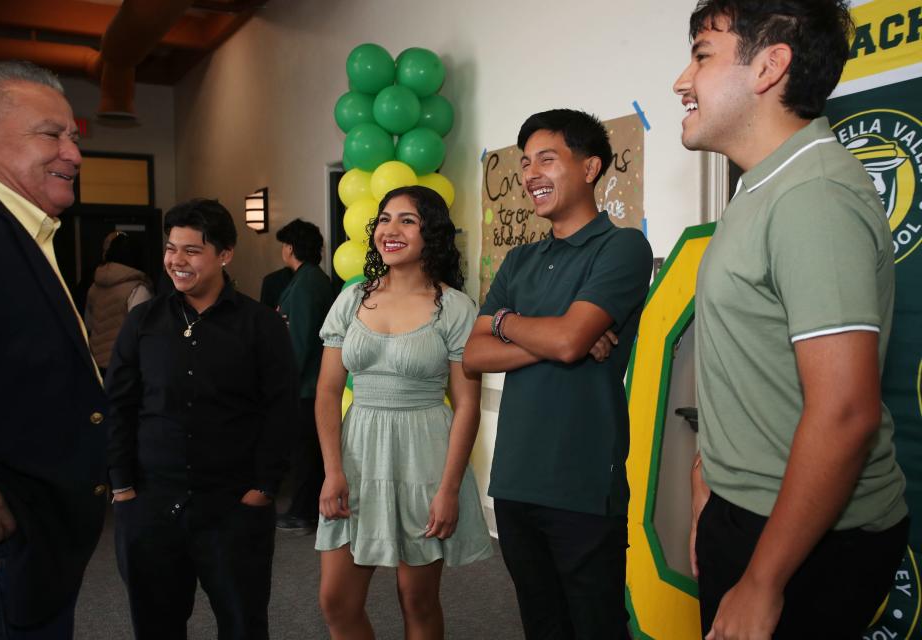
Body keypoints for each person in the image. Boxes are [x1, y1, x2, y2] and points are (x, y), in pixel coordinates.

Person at [674, 1, 909, 637]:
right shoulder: (760, 186)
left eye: (701, 56)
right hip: (745, 509)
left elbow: (845, 412)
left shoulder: (813, 195)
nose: (680, 81)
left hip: (805, 538)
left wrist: (764, 580)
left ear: (770, 65)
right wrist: (708, 480)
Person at [463, 108, 653, 639]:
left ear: (590, 167)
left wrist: (508, 325)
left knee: (595, 627)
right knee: (542, 626)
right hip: (516, 478)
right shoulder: (519, 261)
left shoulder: (622, 247)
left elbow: (569, 341)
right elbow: (473, 356)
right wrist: (549, 334)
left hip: (584, 481)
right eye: (525, 164)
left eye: (546, 159)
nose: (530, 175)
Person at [106, 199, 298, 640]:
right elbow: (118, 404)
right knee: (156, 627)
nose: (177, 261)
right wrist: (122, 486)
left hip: (232, 508)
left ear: (225, 254)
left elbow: (281, 409)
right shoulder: (143, 322)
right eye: (172, 249)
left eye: (192, 250)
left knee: (243, 625)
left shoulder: (260, 325)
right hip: (151, 505)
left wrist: (264, 487)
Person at [0, 60, 107, 638]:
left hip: (24, 548)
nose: (73, 153)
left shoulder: (10, 226)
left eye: (72, 136)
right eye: (50, 134)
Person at [316, 185, 492, 639]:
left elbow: (467, 403)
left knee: (417, 600)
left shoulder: (454, 307)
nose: (390, 230)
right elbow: (327, 390)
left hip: (424, 457)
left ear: (430, 233)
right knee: (336, 600)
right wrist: (332, 471)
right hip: (356, 456)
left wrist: (449, 488)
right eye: (385, 219)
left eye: (407, 220)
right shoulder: (351, 298)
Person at [273, 219, 334, 534]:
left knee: (305, 452)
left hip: (307, 385)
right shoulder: (311, 279)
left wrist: (284, 381)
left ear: (291, 247)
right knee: (308, 450)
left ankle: (304, 511)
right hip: (310, 382)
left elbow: (298, 339)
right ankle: (307, 508)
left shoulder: (306, 284)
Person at [85, 230, 153, 376]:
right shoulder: (138, 289)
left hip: (96, 362)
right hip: (124, 365)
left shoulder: (94, 286)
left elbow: (89, 324)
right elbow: (141, 332)